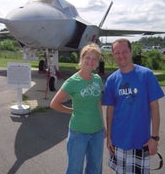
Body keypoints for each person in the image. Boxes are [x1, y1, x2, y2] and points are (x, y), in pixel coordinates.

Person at [102, 38, 164, 174]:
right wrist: (110, 138)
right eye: (117, 53)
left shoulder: (146, 74)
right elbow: (110, 110)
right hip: (118, 141)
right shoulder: (112, 80)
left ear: (131, 52)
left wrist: (154, 138)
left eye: (124, 51)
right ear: (113, 55)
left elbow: (155, 107)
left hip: (141, 141)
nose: (121, 55)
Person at [50, 43, 105, 174]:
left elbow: (98, 103)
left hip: (98, 132)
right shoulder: (72, 81)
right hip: (78, 133)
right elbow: (54, 104)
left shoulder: (97, 79)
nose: (90, 61)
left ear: (97, 62)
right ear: (81, 59)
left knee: (95, 168)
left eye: (94, 59)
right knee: (75, 169)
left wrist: (103, 125)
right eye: (88, 57)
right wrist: (72, 111)